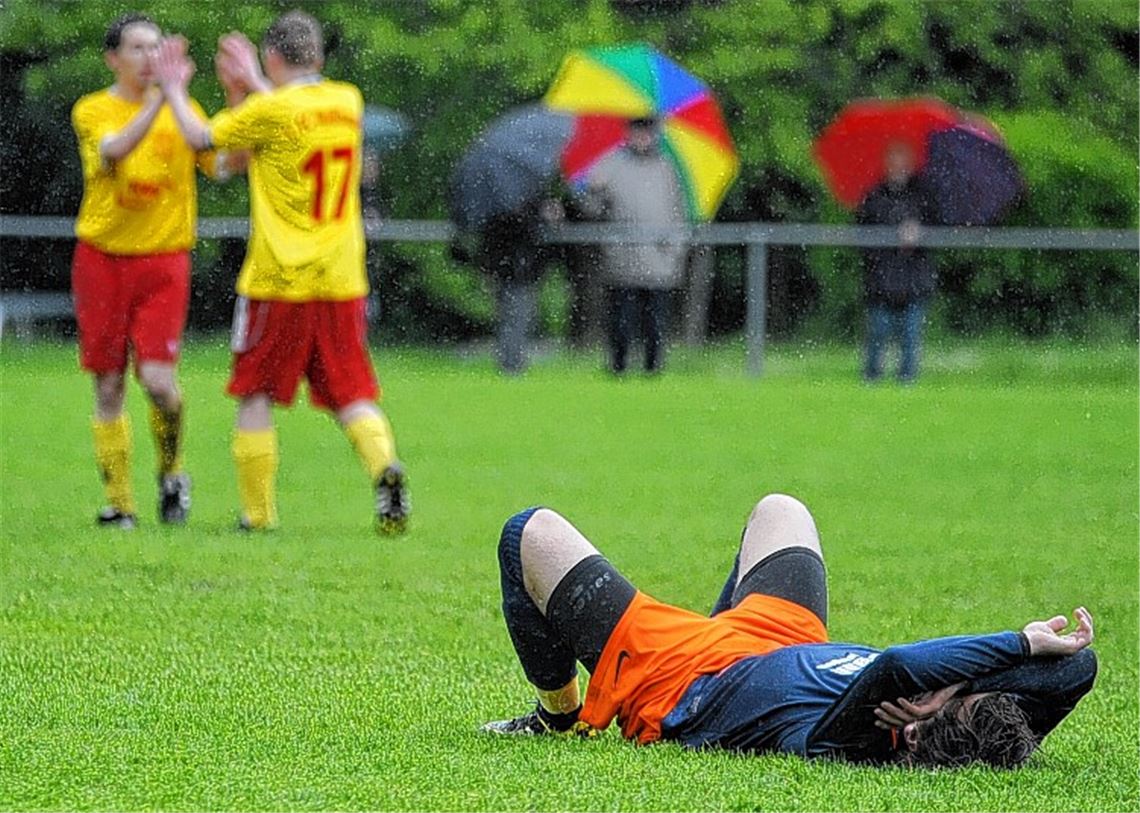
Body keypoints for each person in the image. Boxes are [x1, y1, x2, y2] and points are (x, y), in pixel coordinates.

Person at [483, 496, 1097, 768]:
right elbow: (1077, 669)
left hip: (679, 676)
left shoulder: (855, 742)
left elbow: (900, 665)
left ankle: (558, 719)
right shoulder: (949, 716)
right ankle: (722, 613)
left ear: (912, 739)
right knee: (782, 509)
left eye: (948, 705)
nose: (951, 691)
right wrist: (968, 688)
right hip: (782, 638)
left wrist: (1016, 644)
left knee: (526, 533)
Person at [153, 10, 410, 533]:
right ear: (318, 56)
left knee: (255, 394)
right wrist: (252, 84)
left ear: (272, 56)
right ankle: (385, 468)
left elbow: (205, 140)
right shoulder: (347, 101)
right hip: (341, 276)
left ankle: (258, 515)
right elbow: (286, 119)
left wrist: (172, 87)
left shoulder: (273, 110)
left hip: (279, 278)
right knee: (351, 392)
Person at [71, 12, 231, 529]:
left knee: (160, 383)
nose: (148, 58)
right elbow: (113, 150)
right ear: (113, 58)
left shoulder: (183, 108)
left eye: (155, 48)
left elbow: (223, 163)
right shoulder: (94, 109)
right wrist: (163, 98)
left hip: (164, 260)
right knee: (110, 383)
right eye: (137, 49)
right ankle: (120, 503)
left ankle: (171, 472)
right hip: (102, 258)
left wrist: (244, 99)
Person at [579, 118, 688, 375]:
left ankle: (653, 368)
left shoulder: (666, 168)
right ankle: (618, 367)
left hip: (659, 261)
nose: (641, 138)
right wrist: (593, 190)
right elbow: (591, 211)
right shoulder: (610, 166)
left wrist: (674, 250)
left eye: (645, 133)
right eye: (636, 132)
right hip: (622, 260)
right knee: (621, 320)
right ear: (628, 134)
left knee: (655, 322)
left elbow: (677, 213)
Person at [856, 141, 941, 384]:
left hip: (914, 279)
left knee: (911, 336)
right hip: (881, 280)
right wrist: (891, 235)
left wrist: (918, 231)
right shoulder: (873, 196)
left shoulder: (923, 195)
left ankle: (907, 381)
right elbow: (862, 235)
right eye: (893, 160)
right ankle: (871, 379)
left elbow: (937, 225)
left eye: (902, 160)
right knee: (877, 333)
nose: (897, 166)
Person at [475, 198, 562, 375]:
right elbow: (525, 236)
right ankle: (511, 365)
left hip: (516, 272)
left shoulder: (503, 206)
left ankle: (511, 362)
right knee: (516, 318)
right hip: (516, 273)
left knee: (515, 317)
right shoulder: (515, 211)